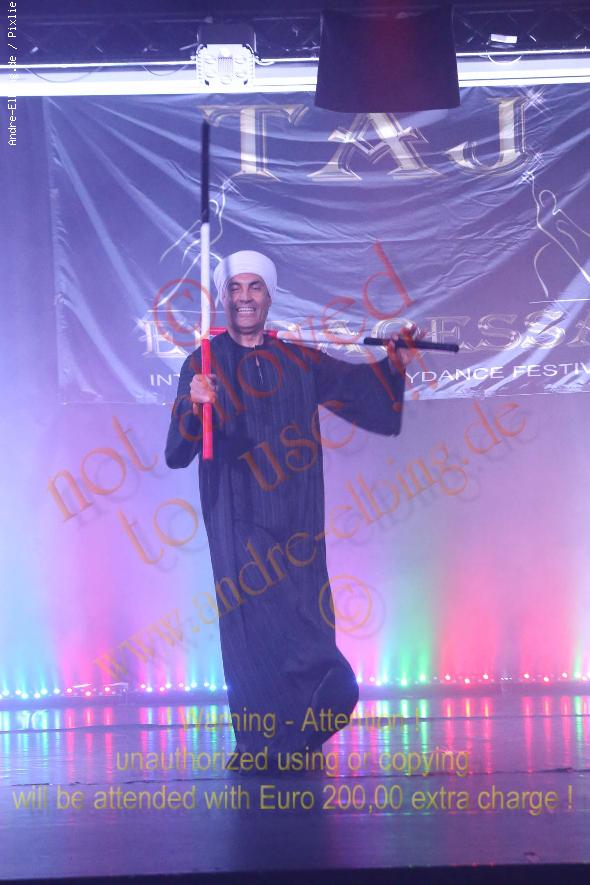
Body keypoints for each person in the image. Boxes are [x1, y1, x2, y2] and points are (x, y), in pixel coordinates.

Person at [165, 250, 414, 771]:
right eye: (235, 288)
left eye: (254, 287)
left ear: (269, 296)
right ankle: (259, 744)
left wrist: (393, 366)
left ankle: (310, 720)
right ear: (225, 298)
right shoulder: (203, 363)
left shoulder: (299, 361)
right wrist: (194, 403)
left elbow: (358, 389)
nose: (245, 297)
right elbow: (177, 451)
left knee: (304, 614)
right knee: (251, 628)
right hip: (235, 517)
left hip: (296, 513)